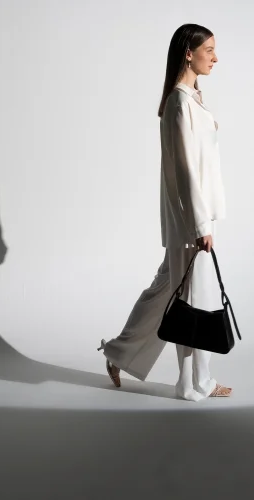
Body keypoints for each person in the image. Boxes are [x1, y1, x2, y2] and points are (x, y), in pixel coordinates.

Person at [98, 24, 231, 402]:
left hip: (194, 216)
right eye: (209, 50)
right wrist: (200, 225)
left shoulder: (191, 99)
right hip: (190, 219)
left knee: (166, 292)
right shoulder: (179, 102)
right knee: (192, 299)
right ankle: (193, 383)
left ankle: (118, 353)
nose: (215, 58)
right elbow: (186, 169)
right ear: (189, 53)